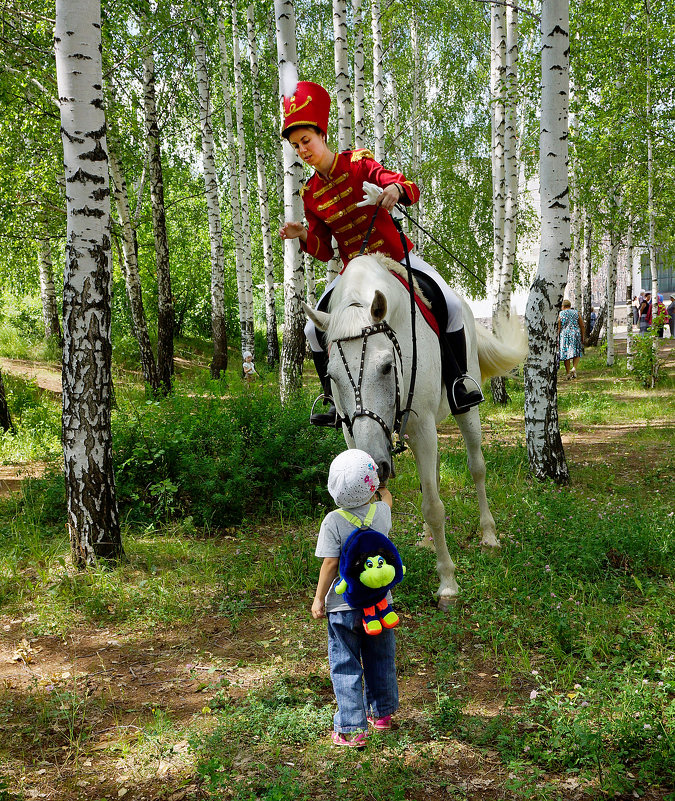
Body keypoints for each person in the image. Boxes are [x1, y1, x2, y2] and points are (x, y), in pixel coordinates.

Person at [278, 81, 483, 425]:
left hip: (396, 259)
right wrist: (302, 235)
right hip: (354, 271)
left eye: (306, 141)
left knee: (451, 304)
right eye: (296, 146)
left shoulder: (359, 164)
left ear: (321, 134)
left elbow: (410, 188)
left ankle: (459, 382)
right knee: (314, 330)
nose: (302, 150)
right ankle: (331, 400)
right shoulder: (310, 193)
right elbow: (325, 251)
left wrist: (393, 190)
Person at [312, 449, 399, 747]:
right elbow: (386, 499)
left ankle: (351, 727)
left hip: (343, 607)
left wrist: (318, 599)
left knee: (346, 662)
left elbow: (330, 564)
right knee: (381, 657)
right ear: (372, 484)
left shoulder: (333, 521)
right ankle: (382, 714)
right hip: (380, 603)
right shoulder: (381, 512)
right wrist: (383, 486)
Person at [558, 299, 585, 380]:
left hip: (565, 334)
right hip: (575, 333)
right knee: (576, 351)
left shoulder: (561, 313)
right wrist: (583, 336)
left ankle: (567, 373)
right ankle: (574, 368)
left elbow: (559, 326)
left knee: (566, 353)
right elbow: (582, 325)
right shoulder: (576, 313)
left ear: (563, 306)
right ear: (569, 305)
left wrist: (557, 336)